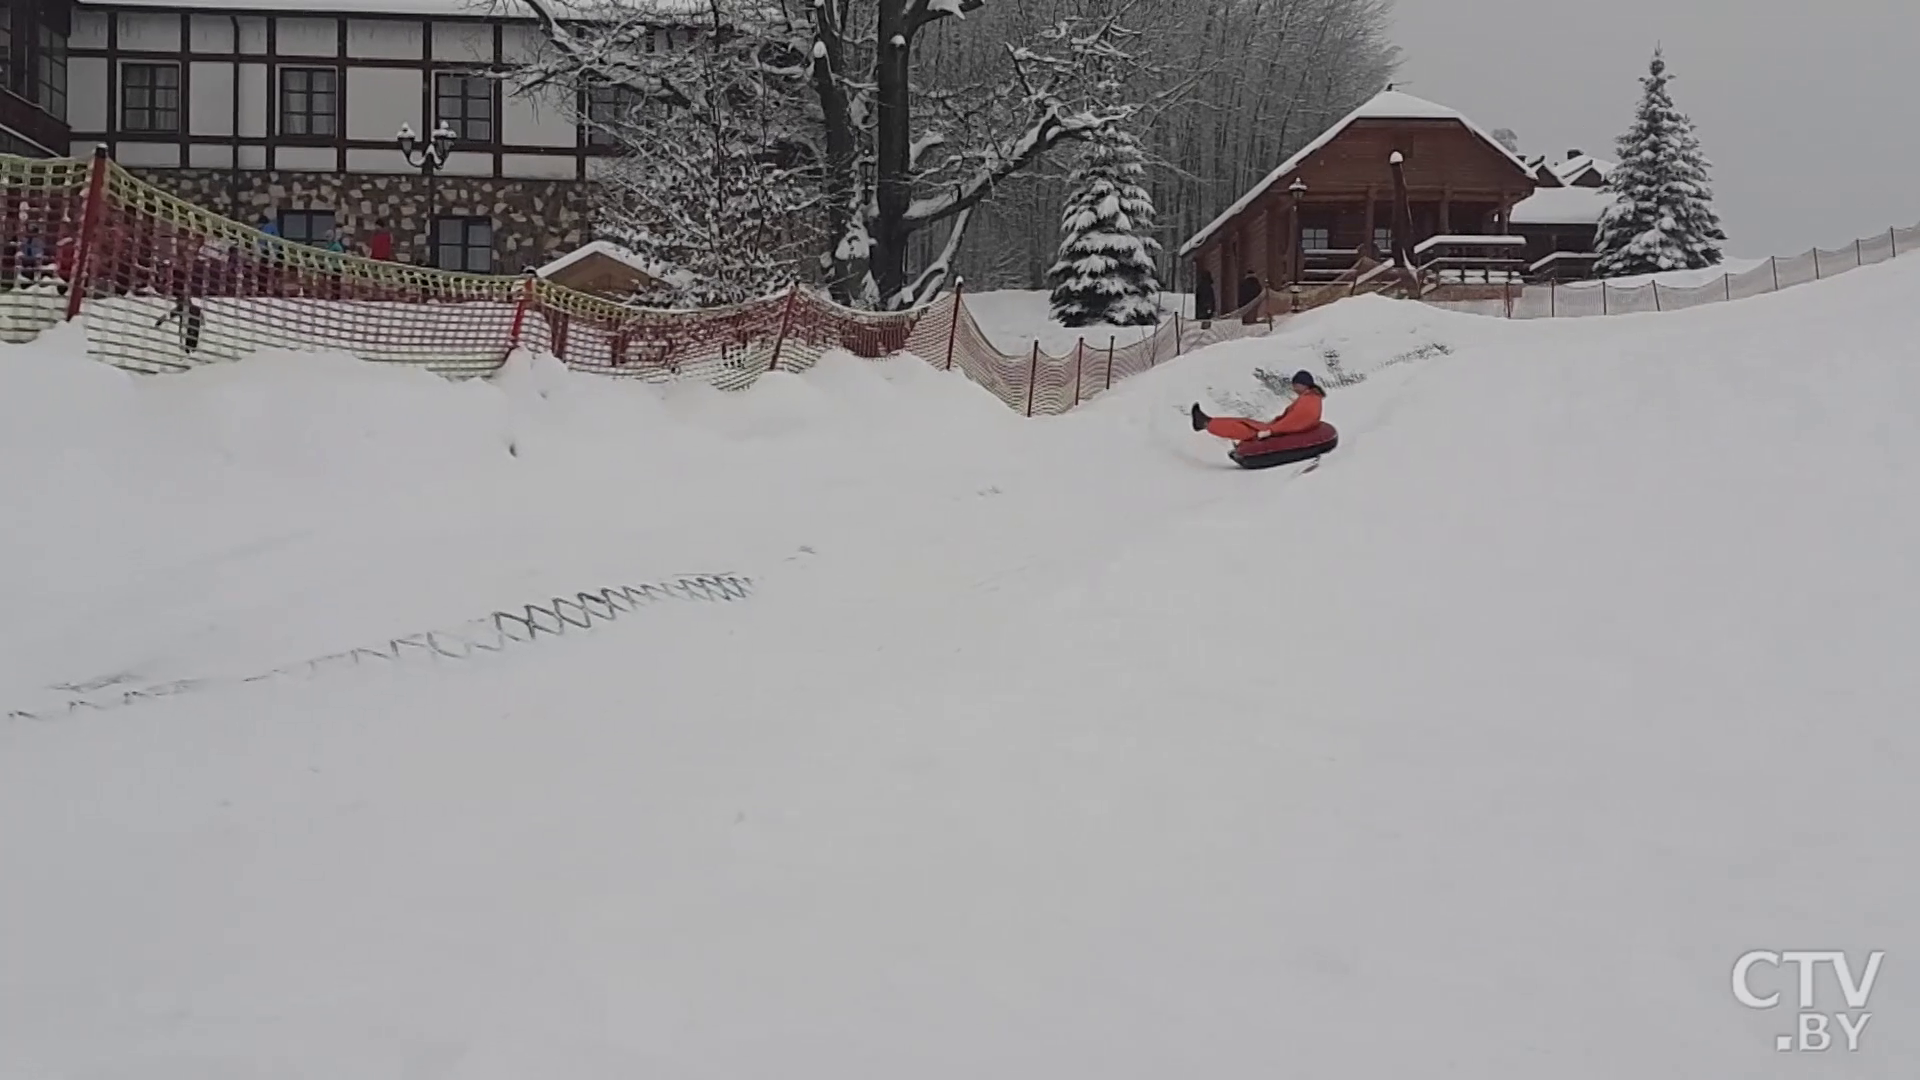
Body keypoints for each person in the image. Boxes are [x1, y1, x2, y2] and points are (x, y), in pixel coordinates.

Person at [1191, 369, 1326, 440]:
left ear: (1302, 385)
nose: (1294, 389)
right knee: (1246, 422)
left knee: (1243, 429)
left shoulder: (1308, 401)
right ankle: (1207, 421)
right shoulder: (1311, 397)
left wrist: (1271, 431)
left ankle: (1206, 423)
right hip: (1280, 428)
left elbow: (1295, 421)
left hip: (1280, 431)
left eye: (1295, 385)